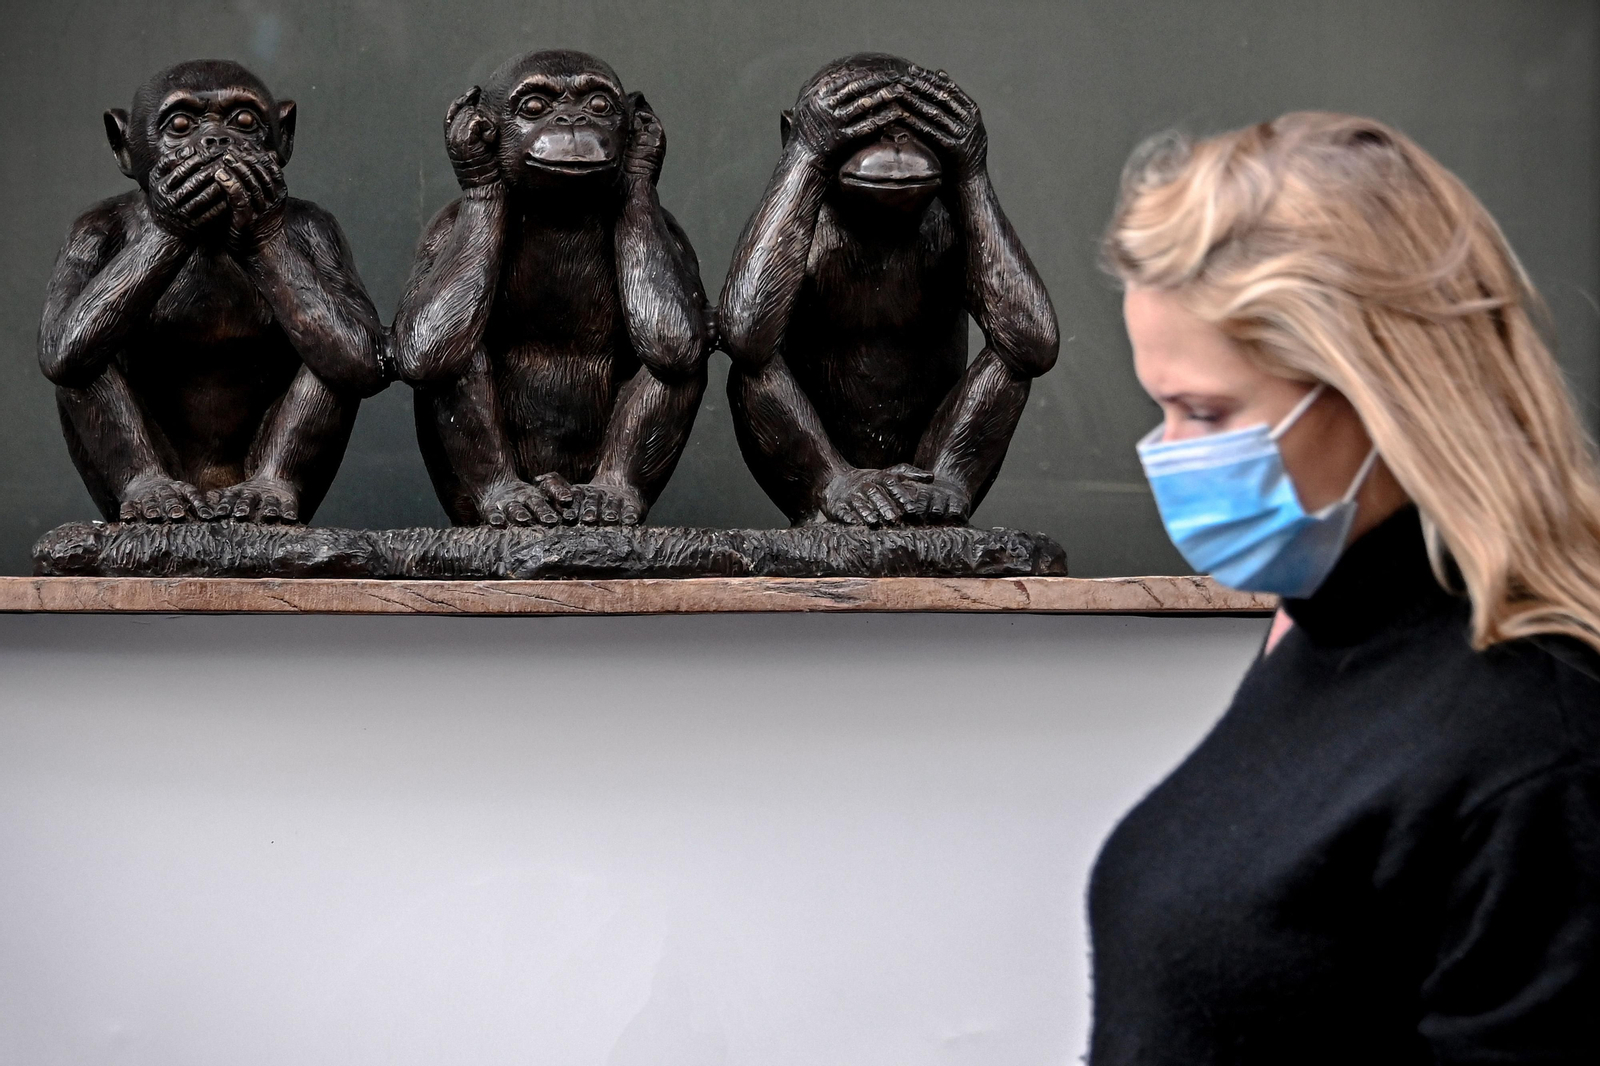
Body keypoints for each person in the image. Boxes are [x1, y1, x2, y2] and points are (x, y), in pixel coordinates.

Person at [1089, 111, 1600, 1064]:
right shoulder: (1322, 633)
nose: (1168, 457)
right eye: (1162, 407)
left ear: (1383, 390)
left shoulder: (1541, 748)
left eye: (1207, 411)